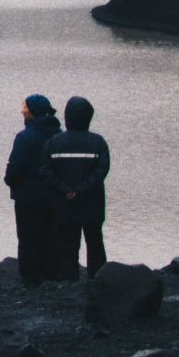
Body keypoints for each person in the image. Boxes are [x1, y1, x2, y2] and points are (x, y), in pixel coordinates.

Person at [6, 94, 71, 283]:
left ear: (33, 113)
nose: (22, 111)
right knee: (52, 237)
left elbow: (15, 168)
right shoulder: (60, 136)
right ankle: (51, 274)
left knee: (28, 239)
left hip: (28, 199)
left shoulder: (24, 137)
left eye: (25, 109)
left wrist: (10, 181)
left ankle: (30, 277)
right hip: (55, 197)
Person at [48, 94, 113, 274]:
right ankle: (98, 275)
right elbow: (102, 170)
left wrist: (65, 190)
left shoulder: (54, 142)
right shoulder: (98, 142)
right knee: (95, 242)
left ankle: (68, 276)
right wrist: (82, 189)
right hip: (92, 202)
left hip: (65, 203)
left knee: (68, 242)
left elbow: (45, 169)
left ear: (67, 117)